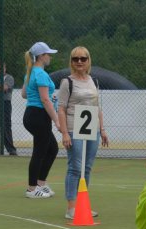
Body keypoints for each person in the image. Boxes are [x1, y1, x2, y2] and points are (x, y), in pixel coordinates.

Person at [58, 46, 109, 219]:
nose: (79, 62)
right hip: (74, 128)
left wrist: (102, 129)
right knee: (75, 167)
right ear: (71, 61)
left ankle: (82, 203)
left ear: (88, 61)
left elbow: (97, 107)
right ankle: (71, 207)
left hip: (91, 129)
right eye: (75, 59)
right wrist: (65, 133)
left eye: (83, 58)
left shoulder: (93, 81)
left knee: (86, 167)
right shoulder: (67, 82)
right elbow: (61, 109)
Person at [21, 41, 60, 199]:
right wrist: (57, 120)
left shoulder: (30, 73)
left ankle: (40, 184)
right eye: (48, 54)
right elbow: (45, 101)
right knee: (40, 152)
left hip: (32, 115)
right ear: (41, 57)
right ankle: (31, 189)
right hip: (38, 116)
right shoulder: (41, 74)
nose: (50, 57)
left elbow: (24, 94)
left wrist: (47, 96)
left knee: (52, 149)